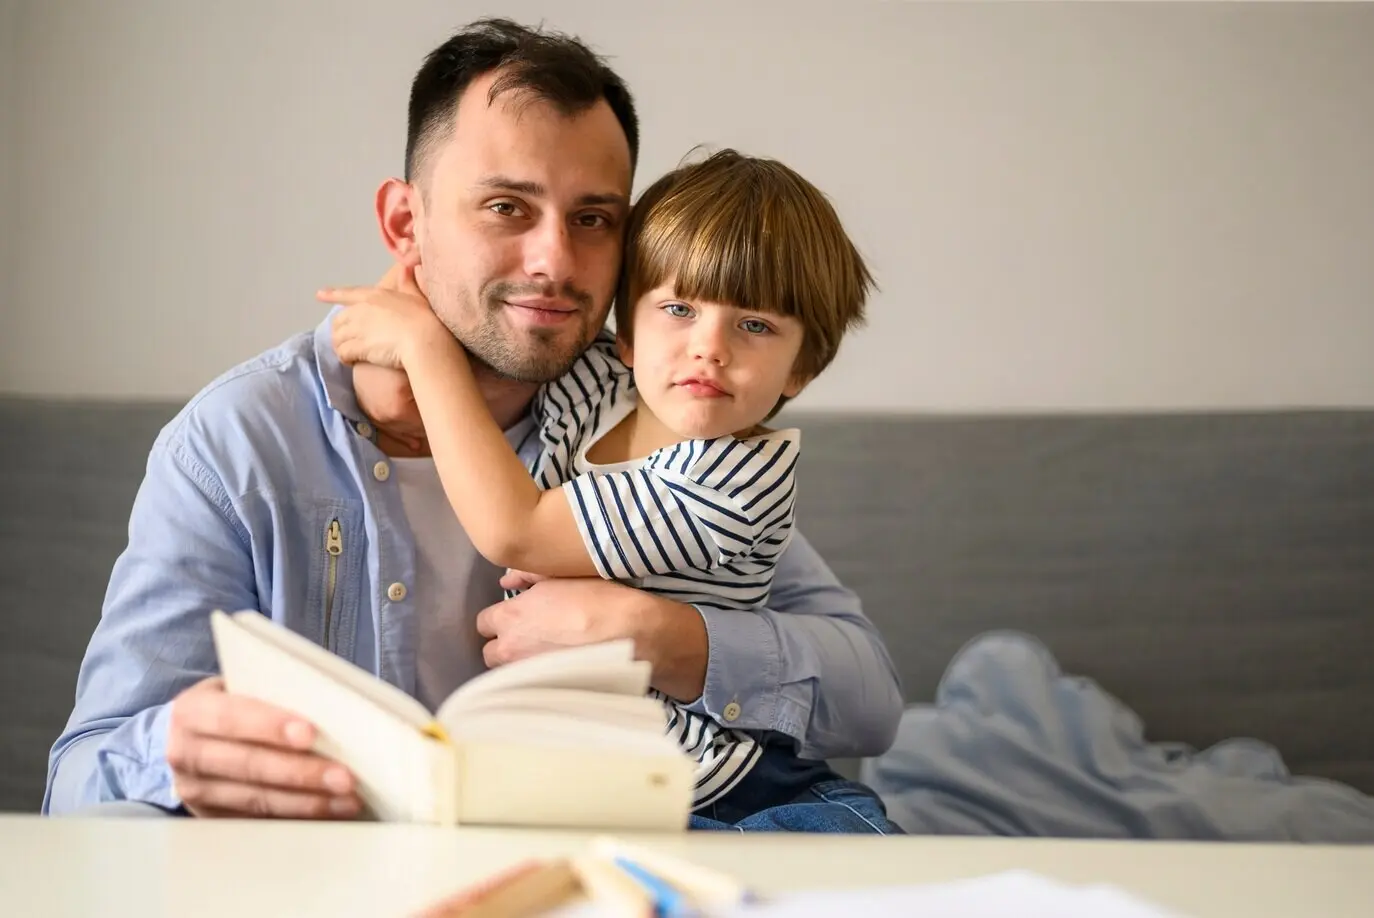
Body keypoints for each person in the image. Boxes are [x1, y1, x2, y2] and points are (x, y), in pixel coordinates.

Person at [43, 18, 903, 829]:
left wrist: (662, 638)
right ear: (404, 224)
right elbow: (78, 783)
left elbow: (869, 699)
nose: (554, 263)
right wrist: (168, 756)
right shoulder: (237, 446)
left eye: (594, 219)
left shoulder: (644, 418)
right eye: (506, 207)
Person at [322, 147, 894, 828]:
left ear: (801, 369)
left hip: (728, 789)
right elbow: (460, 309)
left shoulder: (734, 485)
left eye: (755, 326)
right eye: (679, 308)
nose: (708, 347)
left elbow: (518, 530)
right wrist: (385, 359)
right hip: (596, 786)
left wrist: (422, 351)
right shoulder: (602, 383)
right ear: (626, 334)